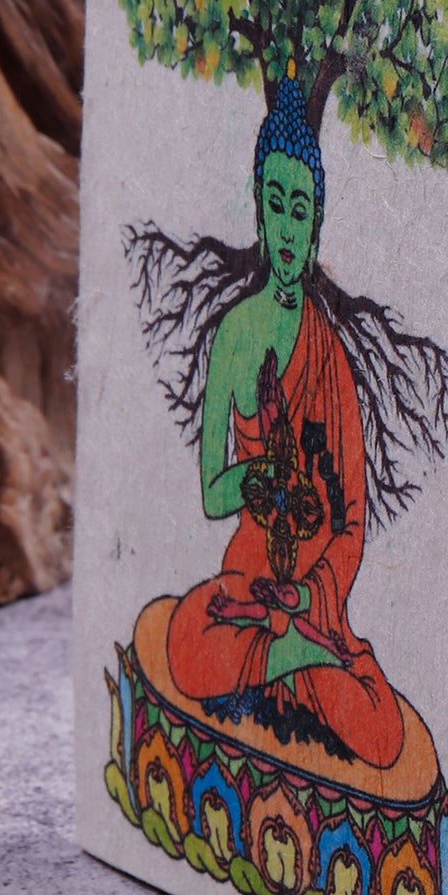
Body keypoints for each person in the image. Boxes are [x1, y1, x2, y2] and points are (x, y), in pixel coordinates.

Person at [164, 67, 405, 770]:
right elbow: (213, 495)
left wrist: (307, 594)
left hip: (311, 606)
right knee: (186, 642)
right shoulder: (234, 336)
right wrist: (258, 477)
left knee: (382, 733)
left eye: (302, 210)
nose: (290, 228)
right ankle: (290, 662)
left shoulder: (333, 358)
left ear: (316, 223)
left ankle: (296, 658)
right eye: (277, 205)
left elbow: (352, 523)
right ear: (259, 213)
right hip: (245, 590)